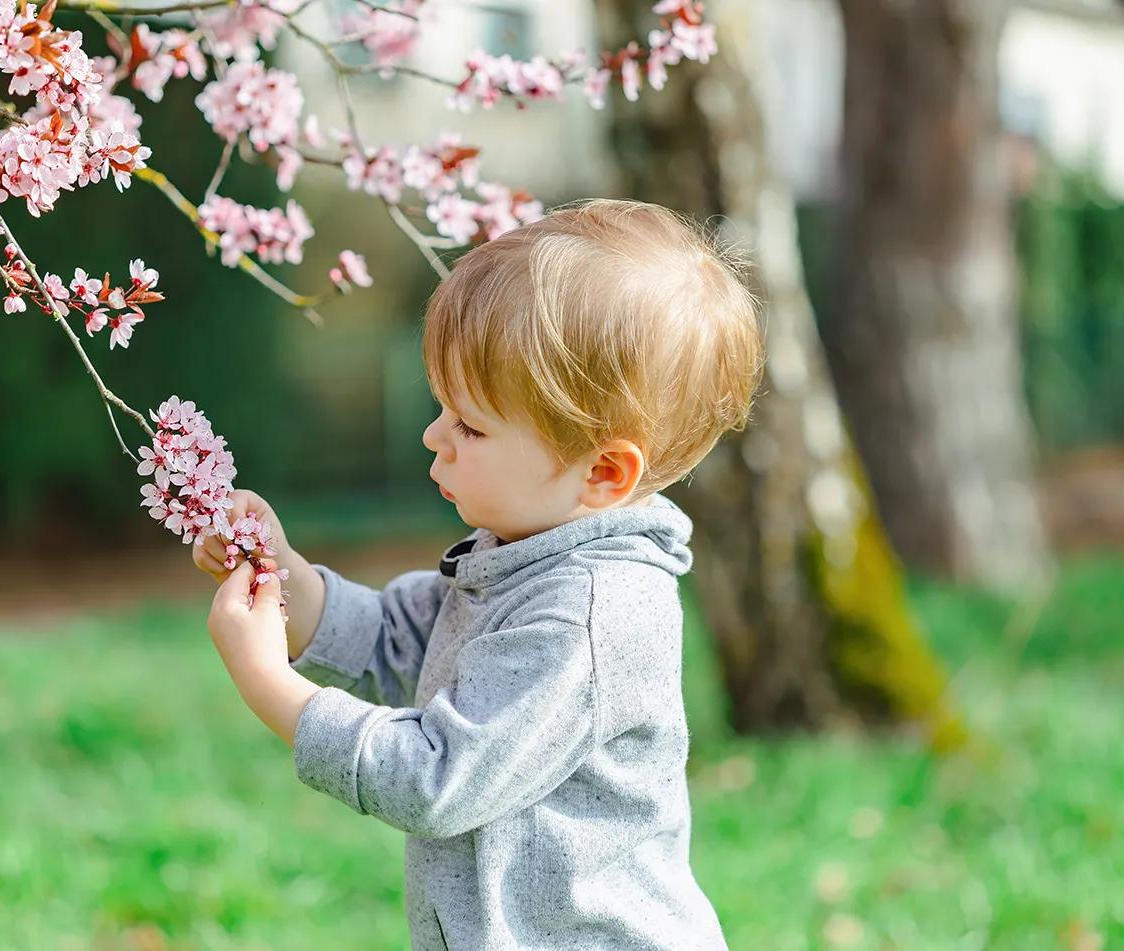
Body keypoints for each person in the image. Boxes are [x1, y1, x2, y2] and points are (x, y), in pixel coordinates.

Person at [196, 199, 763, 950]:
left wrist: (271, 685)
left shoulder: (586, 613)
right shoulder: (527, 551)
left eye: (470, 424)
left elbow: (439, 776)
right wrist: (290, 580)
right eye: (443, 407)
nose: (435, 434)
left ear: (603, 469)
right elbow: (406, 642)